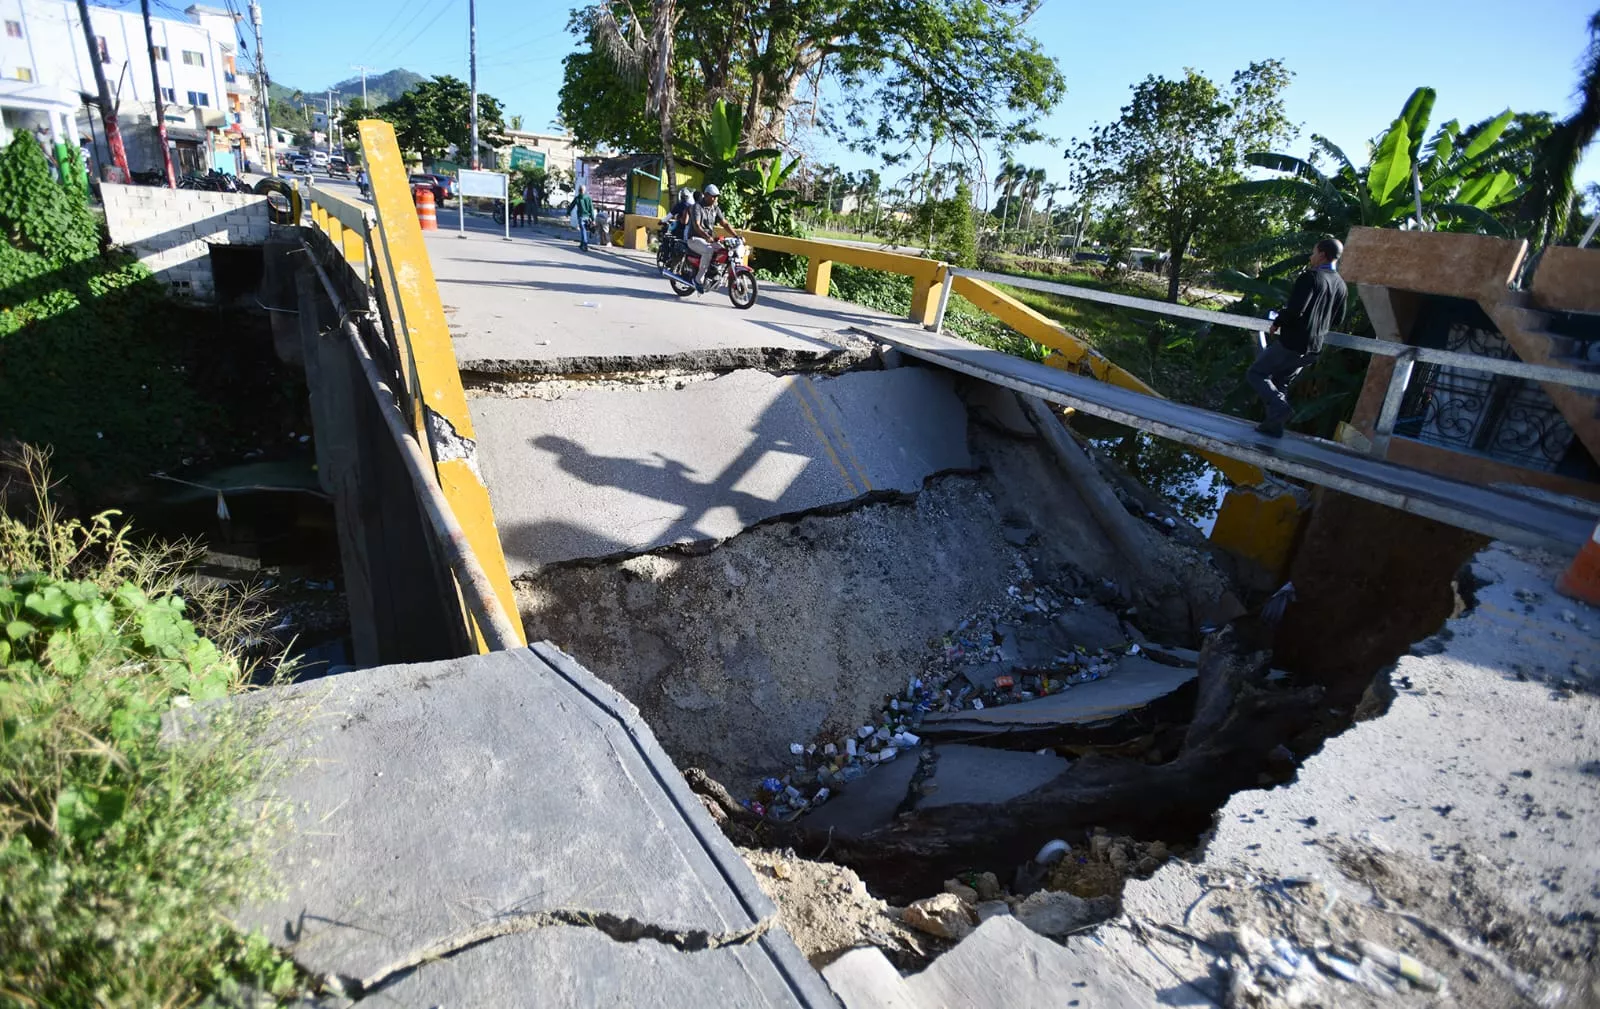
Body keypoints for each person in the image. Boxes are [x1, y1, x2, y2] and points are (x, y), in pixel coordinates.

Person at [1247, 237, 1348, 437]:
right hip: (1314, 348)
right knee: (1281, 381)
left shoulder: (1310, 277)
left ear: (1322, 255)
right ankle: (1273, 426)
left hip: (1293, 342)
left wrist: (1277, 322)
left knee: (1256, 373)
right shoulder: (1341, 286)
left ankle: (1280, 407)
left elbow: (1295, 310)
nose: (1311, 257)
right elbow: (1338, 319)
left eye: (1313, 252)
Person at [687, 184, 736, 294]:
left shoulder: (715, 208)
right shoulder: (697, 207)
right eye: (713, 196)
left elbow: (725, 223)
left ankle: (715, 273)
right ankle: (698, 279)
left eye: (716, 196)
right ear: (706, 195)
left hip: (708, 239)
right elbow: (697, 226)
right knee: (708, 250)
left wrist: (735, 235)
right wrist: (707, 237)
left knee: (725, 251)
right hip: (695, 239)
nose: (715, 199)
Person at [572, 185, 595, 250]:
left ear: (579, 190)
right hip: (587, 217)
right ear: (584, 191)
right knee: (584, 230)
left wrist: (568, 212)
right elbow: (591, 209)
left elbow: (572, 205)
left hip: (581, 216)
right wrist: (593, 219)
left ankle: (585, 244)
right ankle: (582, 244)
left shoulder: (577, 198)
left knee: (583, 230)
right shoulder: (588, 198)